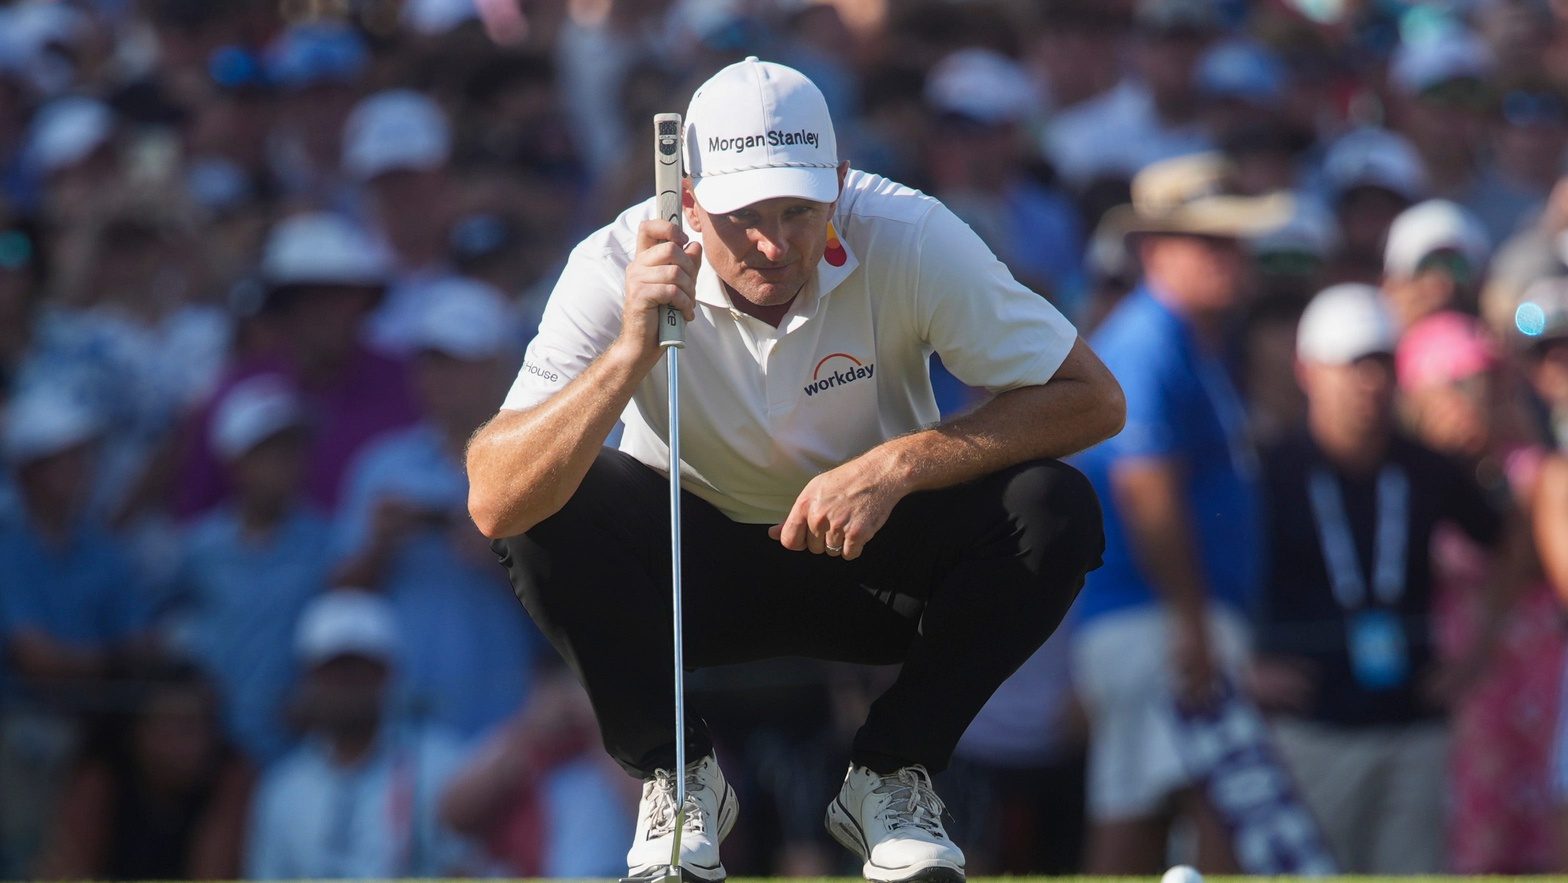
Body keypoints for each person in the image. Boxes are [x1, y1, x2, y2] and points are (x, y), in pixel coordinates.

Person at [466, 57, 1122, 883]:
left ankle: (892, 774)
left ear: (840, 184)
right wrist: (630, 349)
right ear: (691, 201)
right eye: (744, 216)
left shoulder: (911, 233)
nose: (775, 244)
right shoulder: (611, 264)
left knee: (1052, 503)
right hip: (680, 578)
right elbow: (493, 498)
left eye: (799, 210)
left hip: (869, 556)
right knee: (545, 503)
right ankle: (678, 775)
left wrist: (901, 462)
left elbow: (1093, 399)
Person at [1069, 152, 1290, 874]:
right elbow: (1146, 487)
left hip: (1156, 615)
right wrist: (1191, 619)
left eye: (1235, 238)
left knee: (1155, 798)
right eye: (1214, 241)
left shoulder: (1183, 341)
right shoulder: (1149, 342)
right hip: (1157, 617)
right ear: (1156, 249)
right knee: (1203, 801)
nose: (1235, 255)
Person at [1250, 286, 1509, 873]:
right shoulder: (1272, 470)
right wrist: (1244, 663)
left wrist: (1479, 649)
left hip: (1414, 725)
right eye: (1352, 366)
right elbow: (1216, 569)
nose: (1369, 383)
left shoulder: (1428, 467)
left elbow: (1512, 537)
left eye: (1382, 365)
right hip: (1312, 728)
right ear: (1307, 370)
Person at [243, 590, 477, 879]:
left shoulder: (444, 766)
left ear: (388, 675)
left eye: (360, 671)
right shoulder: (283, 789)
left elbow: (468, 868)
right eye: (332, 671)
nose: (346, 687)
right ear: (307, 679)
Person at [32, 662, 254, 880]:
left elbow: (212, 875)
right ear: (138, 731)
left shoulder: (231, 776)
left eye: (206, 725)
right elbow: (67, 873)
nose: (199, 744)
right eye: (183, 728)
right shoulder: (101, 777)